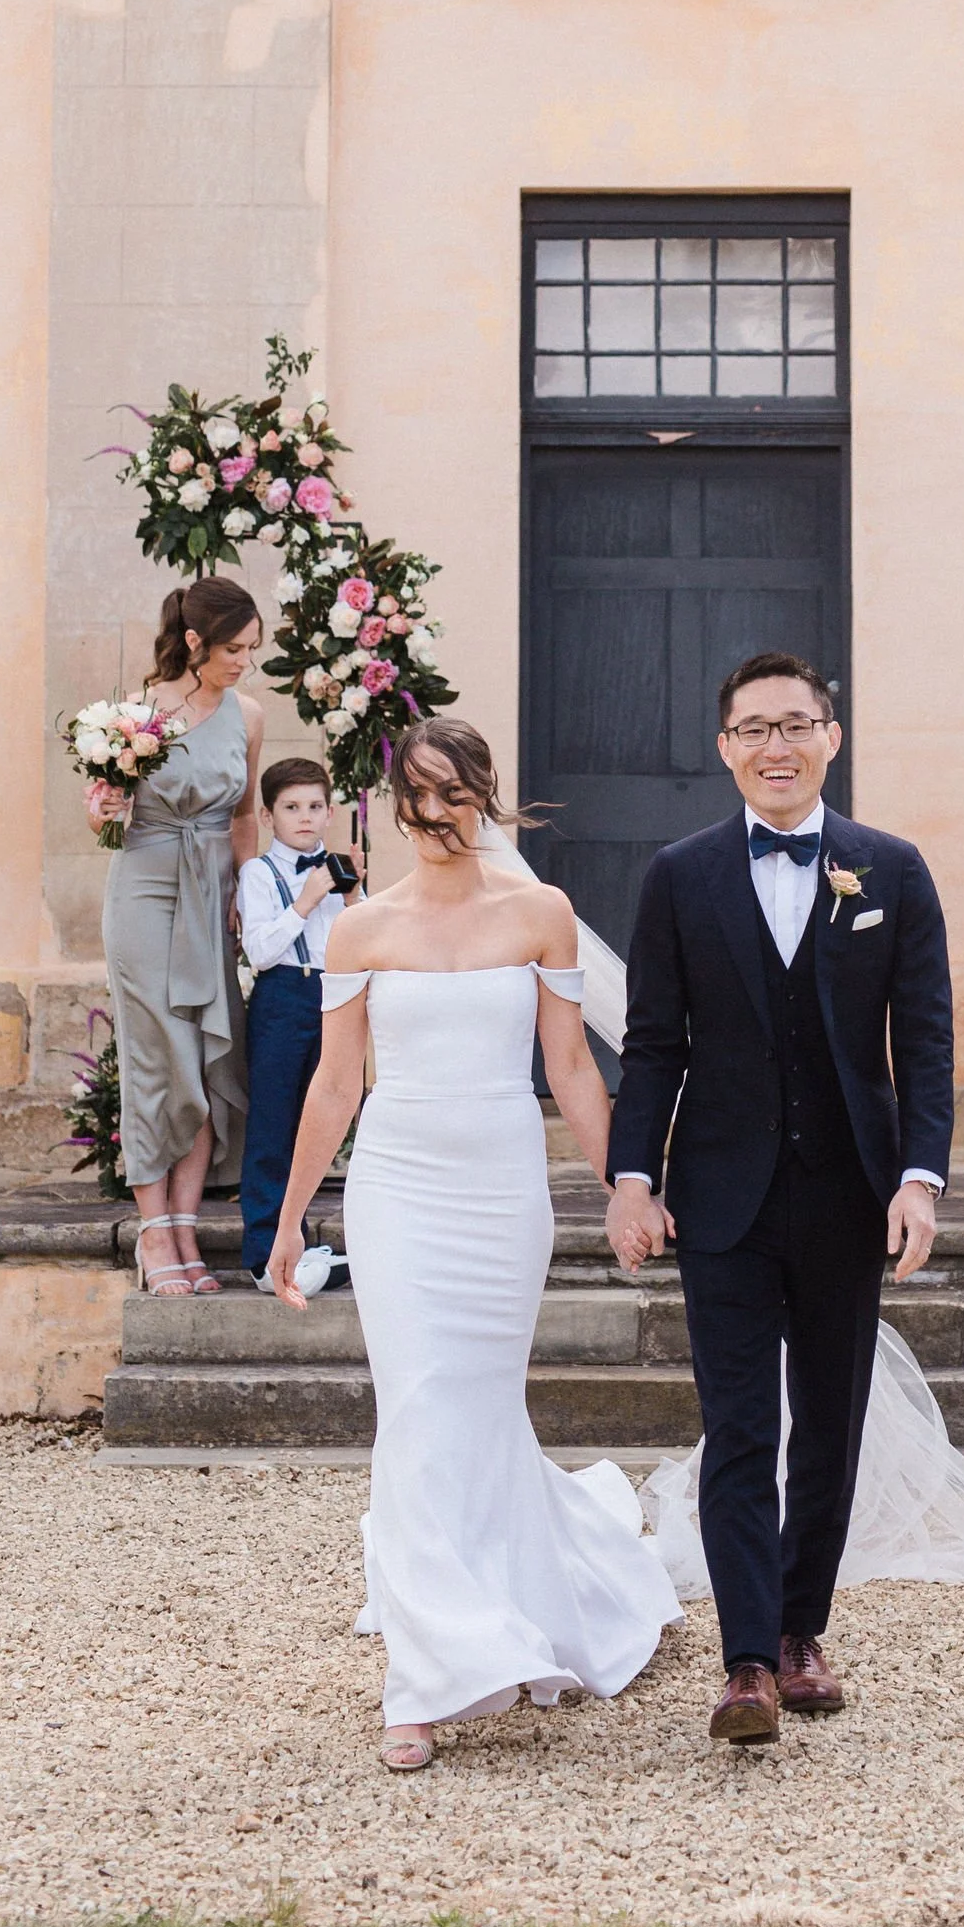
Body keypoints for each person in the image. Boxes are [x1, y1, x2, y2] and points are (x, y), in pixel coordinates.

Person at [265, 718, 682, 1774]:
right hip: (398, 1185)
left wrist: (623, 1186)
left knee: (479, 1404)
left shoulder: (541, 913)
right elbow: (335, 1083)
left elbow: (573, 1069)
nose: (437, 815)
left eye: (456, 794)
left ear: (485, 798)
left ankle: (532, 1593)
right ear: (394, 803)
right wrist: (285, 1218)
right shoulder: (360, 928)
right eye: (419, 795)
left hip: (502, 1187)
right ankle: (425, 1673)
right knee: (415, 1406)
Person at [604, 650, 956, 1748]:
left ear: (830, 738)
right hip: (721, 1200)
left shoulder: (890, 870)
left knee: (831, 1431)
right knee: (740, 1428)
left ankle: (805, 1630)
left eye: (794, 725)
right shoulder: (678, 874)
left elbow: (927, 1041)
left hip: (850, 1193)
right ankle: (747, 1662)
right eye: (752, 728)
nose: (775, 746)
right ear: (723, 748)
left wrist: (919, 1178)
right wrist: (629, 1176)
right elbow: (653, 1043)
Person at [97, 576, 262, 1298]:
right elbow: (106, 828)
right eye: (234, 648)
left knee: (202, 1054)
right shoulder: (132, 716)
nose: (244, 662)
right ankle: (153, 1232)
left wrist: (249, 897)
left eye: (253, 649)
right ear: (194, 642)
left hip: (212, 894)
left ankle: (188, 1228)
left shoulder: (249, 715)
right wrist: (102, 806)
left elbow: (247, 818)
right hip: (144, 888)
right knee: (156, 1054)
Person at [236, 755, 348, 1293]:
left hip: (335, 998)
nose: (305, 817)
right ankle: (265, 1252)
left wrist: (353, 897)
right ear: (268, 815)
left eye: (315, 806)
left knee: (325, 1122)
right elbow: (258, 950)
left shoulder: (339, 868)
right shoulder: (258, 874)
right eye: (291, 807)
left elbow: (358, 940)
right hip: (283, 996)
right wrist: (307, 901)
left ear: (329, 812)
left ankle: (303, 1240)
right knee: (275, 1124)